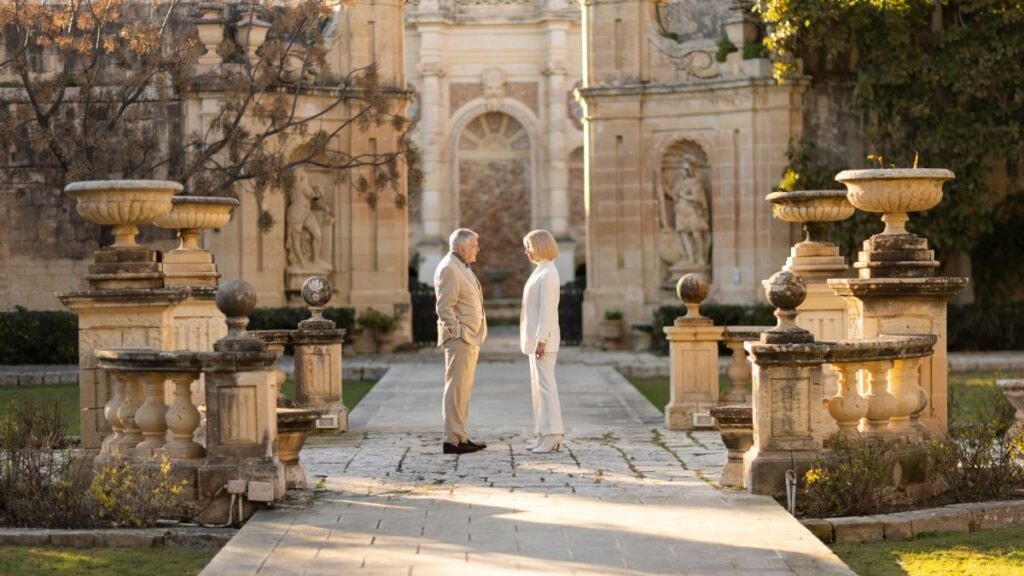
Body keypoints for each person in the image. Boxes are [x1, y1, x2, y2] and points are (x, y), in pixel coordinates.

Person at [434, 228, 489, 455]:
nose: (478, 249)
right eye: (475, 245)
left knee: (463, 390)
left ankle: (461, 436)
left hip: (469, 337)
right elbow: (443, 307)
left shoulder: (459, 265)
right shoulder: (449, 267)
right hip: (460, 339)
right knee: (456, 390)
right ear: (462, 247)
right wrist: (459, 332)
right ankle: (453, 440)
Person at [520, 229, 564, 453]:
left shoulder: (548, 273)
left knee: (546, 388)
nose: (526, 251)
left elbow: (547, 310)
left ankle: (553, 435)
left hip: (543, 342)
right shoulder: (540, 270)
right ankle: (542, 434)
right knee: (538, 388)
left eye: (529, 246)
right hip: (535, 341)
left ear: (540, 246)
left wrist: (542, 340)